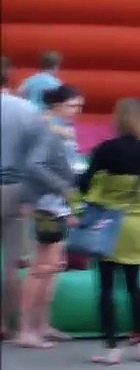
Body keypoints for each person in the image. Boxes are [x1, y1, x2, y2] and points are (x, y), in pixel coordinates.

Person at [78, 98, 140, 365]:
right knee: (135, 287)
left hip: (107, 225)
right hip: (139, 225)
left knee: (106, 288)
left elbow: (85, 185)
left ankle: (111, 348)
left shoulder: (105, 150)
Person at [15, 85, 85, 348]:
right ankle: (26, 329)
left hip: (56, 203)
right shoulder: (48, 129)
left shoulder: (60, 129)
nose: (77, 111)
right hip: (47, 204)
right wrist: (63, 188)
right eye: (72, 106)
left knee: (53, 266)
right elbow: (34, 165)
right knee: (41, 268)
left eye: (79, 106)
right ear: (57, 105)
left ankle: (42, 324)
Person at [0, 57, 48, 340]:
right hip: (15, 187)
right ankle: (9, 323)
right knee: (12, 262)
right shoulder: (27, 109)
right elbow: (37, 160)